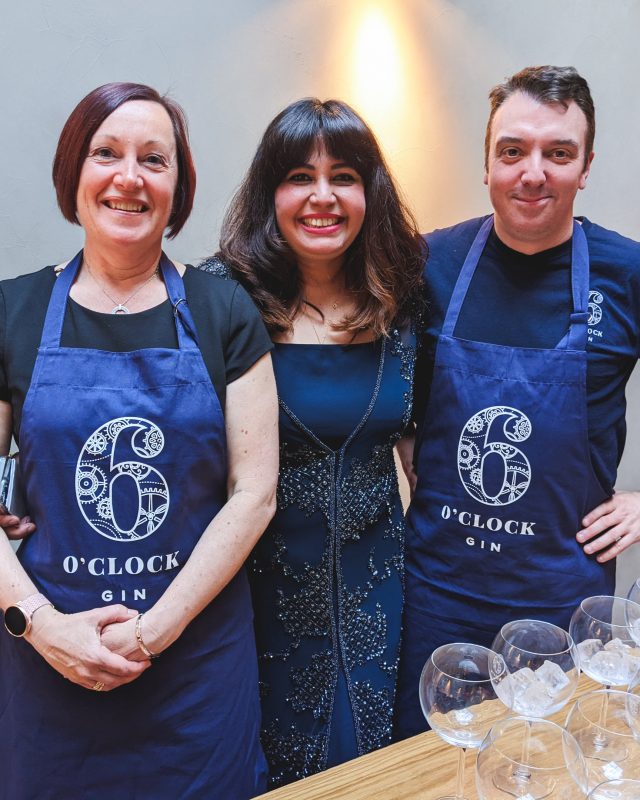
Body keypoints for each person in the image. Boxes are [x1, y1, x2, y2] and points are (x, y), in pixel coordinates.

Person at [0, 82, 278, 799]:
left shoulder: (224, 310)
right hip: (45, 669)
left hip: (193, 677)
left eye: (154, 159)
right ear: (75, 172)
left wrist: (156, 628)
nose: (129, 177)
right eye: (106, 153)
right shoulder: (14, 311)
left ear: (177, 186)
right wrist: (39, 626)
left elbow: (255, 494)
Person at [394, 64, 640, 739]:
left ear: (585, 166)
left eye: (558, 153)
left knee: (542, 762)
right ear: (487, 162)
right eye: (514, 151)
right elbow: (371, 376)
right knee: (423, 769)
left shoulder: (626, 274)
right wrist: (405, 434)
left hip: (560, 602)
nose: (534, 172)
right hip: (437, 593)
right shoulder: (428, 264)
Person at [200, 98, 424, 788]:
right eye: (300, 175)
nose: (322, 196)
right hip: (250, 594)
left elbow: (425, 449)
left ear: (370, 192)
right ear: (271, 192)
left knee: (372, 771)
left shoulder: (405, 298)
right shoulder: (218, 298)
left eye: (345, 176)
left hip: (379, 591)